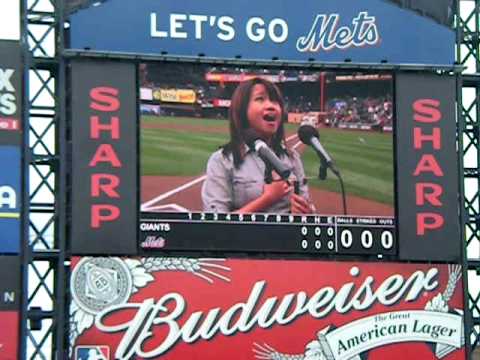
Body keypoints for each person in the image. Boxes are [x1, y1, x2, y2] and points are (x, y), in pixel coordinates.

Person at [201, 77, 313, 214]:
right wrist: (267, 199)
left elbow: (307, 214)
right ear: (242, 110)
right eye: (260, 99)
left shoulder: (292, 158)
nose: (271, 105)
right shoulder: (222, 160)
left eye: (275, 101)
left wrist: (305, 213)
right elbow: (216, 225)